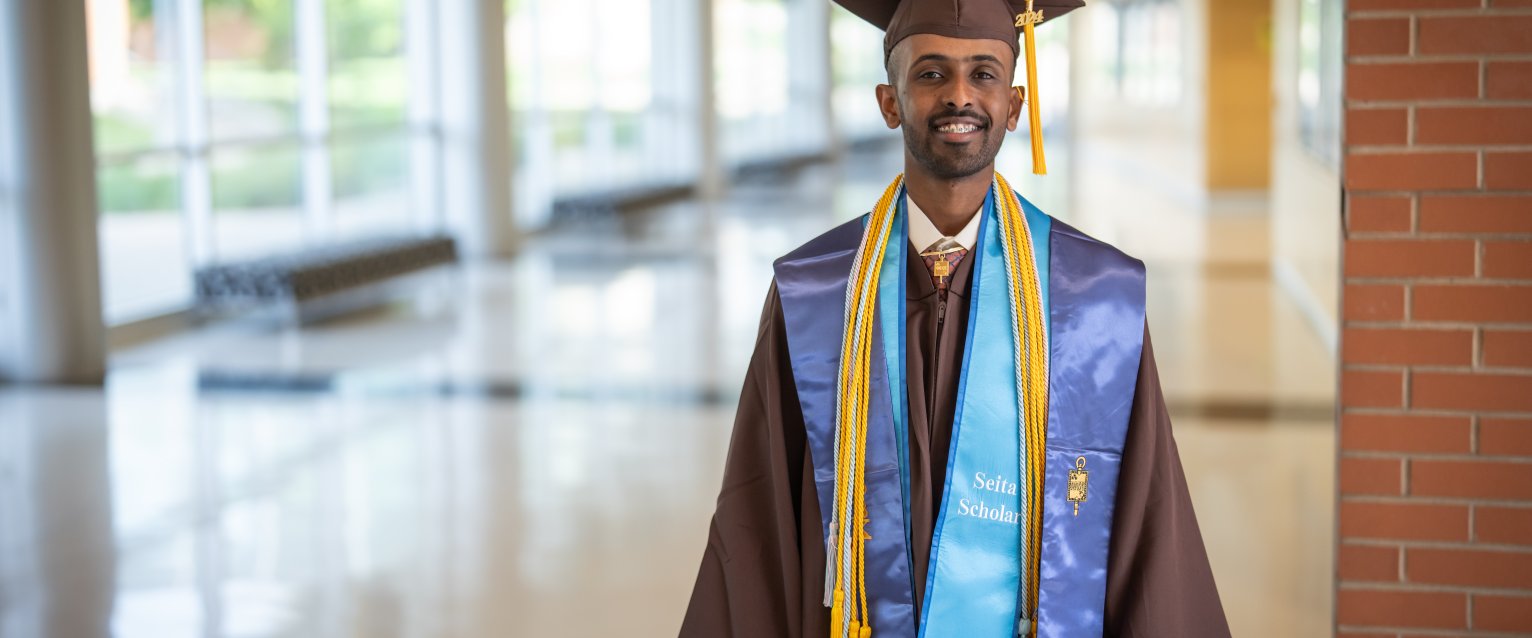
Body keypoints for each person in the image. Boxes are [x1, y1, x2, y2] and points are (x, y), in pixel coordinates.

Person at [680, 0, 1230, 635]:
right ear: (890, 102)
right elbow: (760, 523)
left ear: (1015, 106)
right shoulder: (817, 293)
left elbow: (1146, 526)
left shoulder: (1092, 299)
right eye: (932, 74)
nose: (960, 96)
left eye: (985, 73)